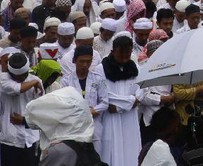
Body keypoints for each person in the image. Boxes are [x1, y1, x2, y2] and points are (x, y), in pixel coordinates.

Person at [100, 34, 145, 166]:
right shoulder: (101, 69)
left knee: (131, 149)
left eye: (128, 52)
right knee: (111, 151)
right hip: (110, 118)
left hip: (129, 118)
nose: (125, 56)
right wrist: (130, 102)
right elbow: (105, 94)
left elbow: (141, 92)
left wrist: (121, 106)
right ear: (113, 51)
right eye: (121, 52)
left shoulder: (136, 68)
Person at [59, 45, 109, 155]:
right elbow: (64, 103)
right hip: (74, 126)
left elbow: (105, 102)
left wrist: (92, 112)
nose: (85, 65)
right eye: (81, 61)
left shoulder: (98, 79)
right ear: (74, 60)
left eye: (88, 61)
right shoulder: (66, 81)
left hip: (94, 125)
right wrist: (82, 112)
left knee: (95, 156)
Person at [0, 52, 43, 166]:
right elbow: (17, 89)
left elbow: (39, 108)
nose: (23, 78)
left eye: (24, 74)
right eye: (19, 76)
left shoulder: (35, 79)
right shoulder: (4, 78)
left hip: (30, 137)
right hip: (10, 138)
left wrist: (24, 120)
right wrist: (34, 82)